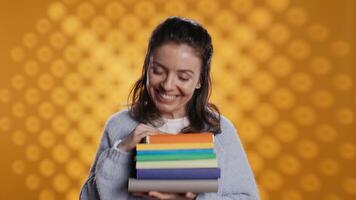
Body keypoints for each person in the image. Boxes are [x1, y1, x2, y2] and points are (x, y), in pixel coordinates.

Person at [79, 16, 259, 200]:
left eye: (183, 77)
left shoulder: (220, 131)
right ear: (146, 68)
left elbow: (247, 198)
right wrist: (122, 150)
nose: (167, 85)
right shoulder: (119, 126)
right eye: (158, 71)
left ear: (200, 81)